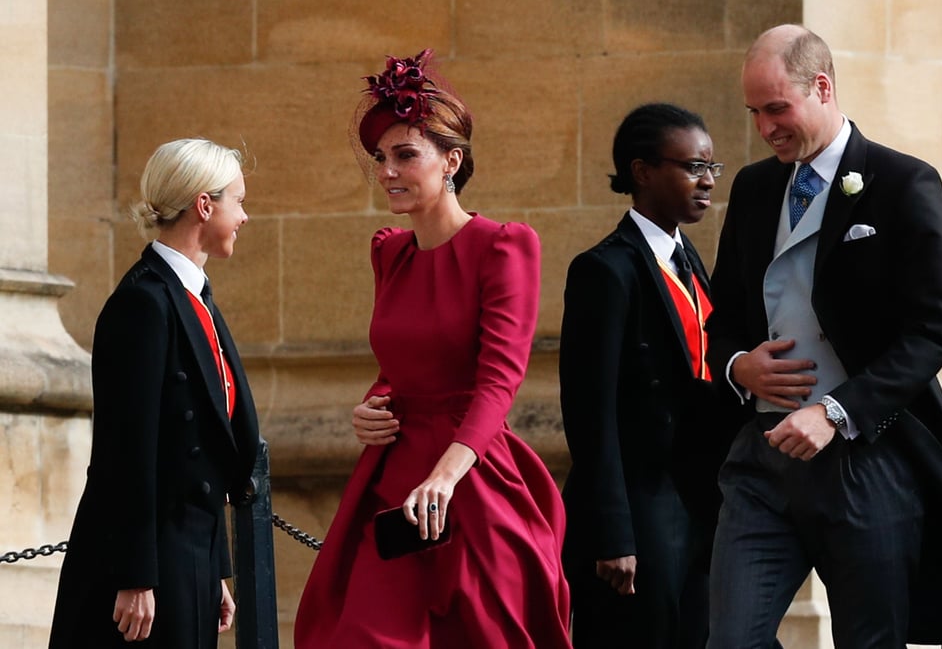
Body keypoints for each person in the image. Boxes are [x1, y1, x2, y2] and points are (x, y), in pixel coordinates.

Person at [704, 24, 942, 648]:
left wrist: (835, 413)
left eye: (777, 108)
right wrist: (737, 366)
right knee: (729, 640)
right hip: (761, 457)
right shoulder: (752, 189)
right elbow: (721, 318)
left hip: (867, 460)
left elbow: (929, 332)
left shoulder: (903, 182)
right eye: (754, 111)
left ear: (823, 87)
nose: (765, 128)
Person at [293, 49, 571, 648]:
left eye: (405, 155)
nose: (388, 171)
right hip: (393, 477)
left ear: (452, 160)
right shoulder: (388, 251)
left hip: (471, 476)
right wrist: (373, 403)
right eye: (381, 158)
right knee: (360, 635)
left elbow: (500, 380)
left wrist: (445, 477)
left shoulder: (504, 247)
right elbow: (400, 362)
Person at [48, 138, 261, 648]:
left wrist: (219, 570)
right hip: (150, 561)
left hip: (192, 552)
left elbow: (211, 450)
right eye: (239, 200)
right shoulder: (143, 303)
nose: (245, 216)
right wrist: (134, 576)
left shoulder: (195, 295)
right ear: (204, 206)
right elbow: (125, 453)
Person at [559, 103, 732, 648]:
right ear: (642, 172)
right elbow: (590, 413)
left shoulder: (690, 260)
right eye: (692, 167)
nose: (706, 182)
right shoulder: (605, 270)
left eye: (711, 168)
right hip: (638, 510)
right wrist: (612, 533)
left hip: (699, 503)